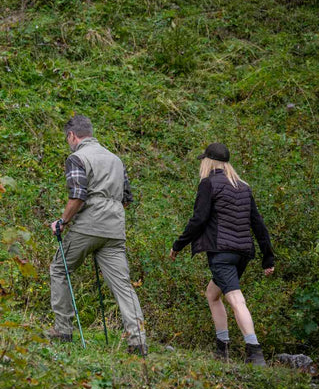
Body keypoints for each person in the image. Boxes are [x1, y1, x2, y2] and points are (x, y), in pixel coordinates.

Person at [47, 114, 147, 355]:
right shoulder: (116, 159)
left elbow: (78, 195)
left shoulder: (77, 157)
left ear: (72, 135)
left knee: (60, 269)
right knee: (123, 285)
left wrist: (63, 221)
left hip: (87, 226)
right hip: (115, 228)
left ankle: (63, 329)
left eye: (67, 138)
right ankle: (138, 340)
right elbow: (127, 199)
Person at [170, 143, 274, 366]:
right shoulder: (243, 187)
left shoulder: (208, 184)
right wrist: (268, 256)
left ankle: (255, 352)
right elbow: (258, 224)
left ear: (208, 161)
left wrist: (178, 245)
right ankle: (222, 348)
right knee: (212, 293)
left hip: (221, 253)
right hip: (242, 253)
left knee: (236, 299)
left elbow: (199, 219)